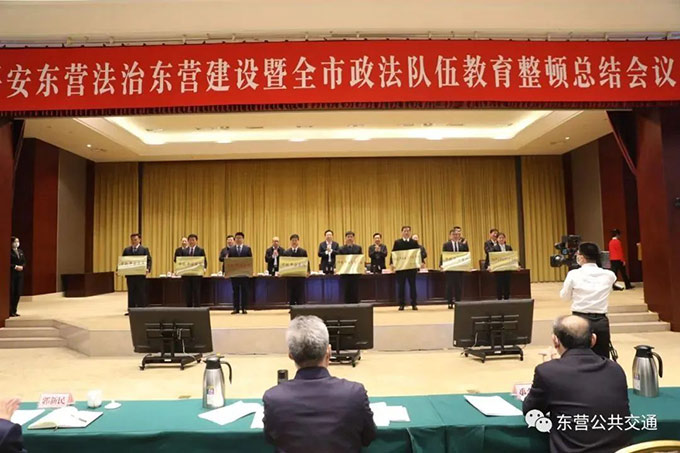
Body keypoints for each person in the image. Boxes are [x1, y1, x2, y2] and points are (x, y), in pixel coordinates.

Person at [263, 316, 376, 453]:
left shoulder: (274, 398)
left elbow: (270, 438)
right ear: (329, 351)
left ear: (290, 355)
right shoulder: (355, 393)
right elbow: (368, 437)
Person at [523, 315, 630, 453]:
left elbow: (532, 412)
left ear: (555, 340)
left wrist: (549, 369)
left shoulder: (547, 372)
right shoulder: (615, 369)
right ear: (593, 340)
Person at [560, 242, 616, 358]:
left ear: (581, 257)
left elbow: (564, 297)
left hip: (579, 320)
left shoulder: (573, 274)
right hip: (601, 321)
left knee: (578, 356)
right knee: (602, 356)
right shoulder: (610, 275)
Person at [121, 233, 152, 315]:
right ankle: (131, 310)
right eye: (132, 240)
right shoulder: (127, 250)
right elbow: (123, 261)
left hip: (140, 275)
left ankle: (141, 310)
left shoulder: (144, 249)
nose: (133, 241)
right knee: (131, 292)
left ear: (139, 240)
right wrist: (119, 269)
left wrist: (148, 269)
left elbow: (149, 260)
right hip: (130, 275)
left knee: (141, 292)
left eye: (135, 239)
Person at [392, 226, 420, 310]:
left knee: (413, 286)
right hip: (401, 269)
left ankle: (414, 303)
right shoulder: (397, 242)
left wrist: (419, 263)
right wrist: (392, 264)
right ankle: (401, 304)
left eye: (408, 231)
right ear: (402, 232)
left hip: (411, 268)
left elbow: (417, 254)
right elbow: (394, 253)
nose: (406, 232)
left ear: (410, 232)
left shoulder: (414, 242)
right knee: (401, 286)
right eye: (405, 231)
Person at [441, 226, 469, 308]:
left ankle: (458, 302)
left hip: (459, 269)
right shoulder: (446, 245)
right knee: (449, 286)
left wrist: (467, 265)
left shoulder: (462, 245)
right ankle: (450, 302)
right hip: (450, 269)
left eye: (457, 235)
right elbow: (443, 255)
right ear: (450, 236)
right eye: (454, 234)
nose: (455, 236)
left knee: (459, 286)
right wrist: (441, 265)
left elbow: (466, 255)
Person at [227, 232, 252, 315]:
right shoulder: (231, 249)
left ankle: (244, 308)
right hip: (234, 274)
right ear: (235, 239)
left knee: (244, 291)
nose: (238, 239)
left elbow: (250, 261)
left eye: (240, 238)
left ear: (243, 239)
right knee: (235, 291)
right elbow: (229, 262)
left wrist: (250, 272)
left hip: (244, 274)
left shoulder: (247, 249)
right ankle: (236, 308)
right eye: (237, 238)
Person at [181, 234, 207, 308]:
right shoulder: (184, 251)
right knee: (188, 292)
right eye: (190, 240)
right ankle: (189, 307)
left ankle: (197, 307)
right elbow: (181, 262)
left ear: (196, 241)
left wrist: (204, 268)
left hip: (197, 275)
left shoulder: (200, 250)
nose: (191, 241)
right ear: (188, 241)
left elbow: (204, 261)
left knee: (196, 291)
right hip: (187, 275)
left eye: (193, 240)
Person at [283, 234, 309, 306]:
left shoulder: (303, 251)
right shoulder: (286, 252)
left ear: (298, 241)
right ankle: (292, 308)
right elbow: (283, 263)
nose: (294, 242)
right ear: (290, 242)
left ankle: (300, 308)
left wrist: (308, 271)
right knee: (291, 294)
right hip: (290, 277)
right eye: (292, 240)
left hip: (300, 277)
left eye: (295, 240)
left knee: (300, 294)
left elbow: (307, 262)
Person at [338, 231, 362, 304]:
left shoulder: (358, 248)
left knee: (355, 289)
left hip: (355, 273)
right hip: (345, 273)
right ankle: (346, 304)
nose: (350, 238)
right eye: (348, 237)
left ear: (353, 238)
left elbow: (360, 259)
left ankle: (356, 304)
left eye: (351, 237)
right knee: (346, 289)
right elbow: (339, 260)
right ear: (345, 238)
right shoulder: (341, 248)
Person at [492, 232, 513, 300]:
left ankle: (507, 299)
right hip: (498, 270)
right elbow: (491, 259)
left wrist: (517, 265)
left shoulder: (508, 247)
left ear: (505, 239)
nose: (501, 239)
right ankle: (499, 299)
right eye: (500, 238)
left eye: (502, 238)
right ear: (497, 239)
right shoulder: (494, 248)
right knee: (499, 285)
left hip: (507, 269)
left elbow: (513, 257)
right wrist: (490, 266)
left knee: (507, 285)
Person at [9, 237, 25, 318]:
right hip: (12, 275)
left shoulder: (20, 251)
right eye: (15, 241)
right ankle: (10, 311)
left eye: (17, 241)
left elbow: (24, 261)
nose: (17, 243)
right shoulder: (9, 252)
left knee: (18, 293)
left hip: (19, 275)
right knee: (12, 293)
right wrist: (15, 266)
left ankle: (15, 310)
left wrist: (22, 266)